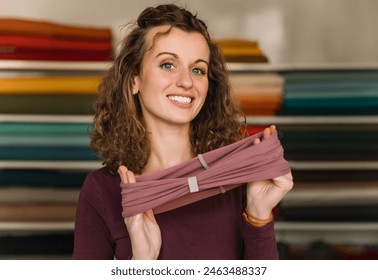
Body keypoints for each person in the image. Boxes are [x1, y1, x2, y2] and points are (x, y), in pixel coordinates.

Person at [73, 4, 293, 260]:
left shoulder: (236, 182)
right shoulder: (102, 190)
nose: (187, 82)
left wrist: (258, 215)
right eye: (168, 65)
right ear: (134, 80)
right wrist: (140, 266)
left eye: (198, 70)